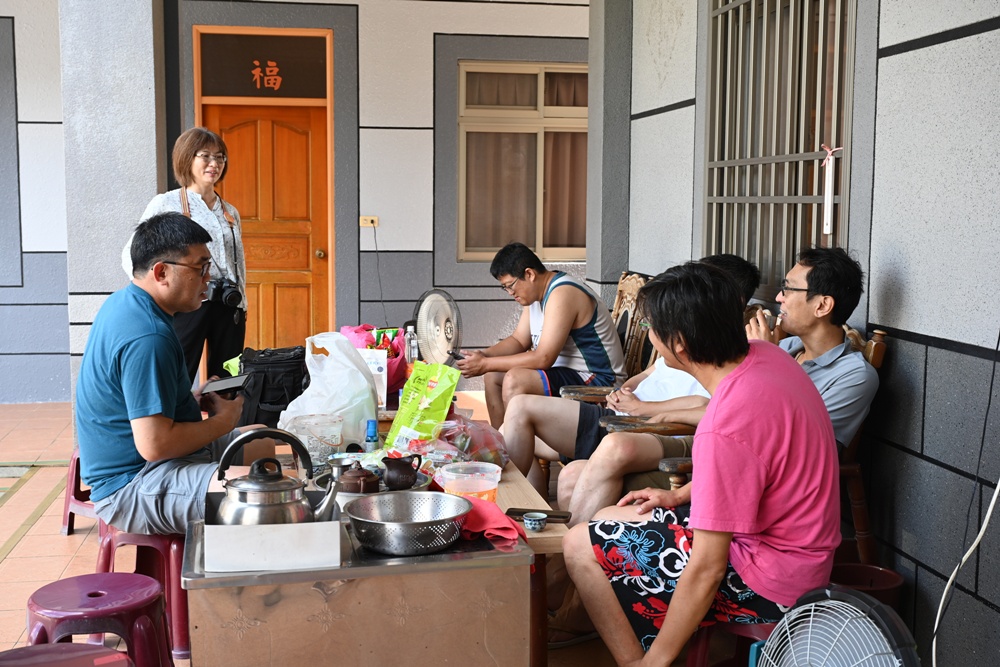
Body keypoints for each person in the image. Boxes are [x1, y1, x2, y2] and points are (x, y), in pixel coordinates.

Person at [563, 262, 840, 665]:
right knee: (606, 516)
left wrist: (659, 660)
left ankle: (640, 662)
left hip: (769, 582)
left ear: (678, 345)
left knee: (578, 545)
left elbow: (708, 568)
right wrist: (679, 496)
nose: (650, 335)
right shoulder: (768, 356)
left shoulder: (724, 425)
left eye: (651, 327)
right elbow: (757, 468)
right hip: (804, 558)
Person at [558, 246, 879, 529]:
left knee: (598, 495)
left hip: (750, 483)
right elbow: (719, 405)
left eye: (788, 288)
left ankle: (578, 560)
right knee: (573, 475)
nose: (778, 297)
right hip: (712, 450)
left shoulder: (853, 375)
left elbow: (802, 451)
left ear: (822, 305)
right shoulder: (784, 348)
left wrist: (764, 367)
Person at [502, 254, 760, 497]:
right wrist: (623, 391)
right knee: (510, 428)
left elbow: (708, 407)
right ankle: (527, 502)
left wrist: (643, 408)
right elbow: (649, 372)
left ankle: (510, 500)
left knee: (521, 412)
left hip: (637, 429)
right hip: (621, 415)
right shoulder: (687, 338)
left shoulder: (724, 357)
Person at [80, 213, 267, 535]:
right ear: (161, 272)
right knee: (266, 495)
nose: (209, 278)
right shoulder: (148, 337)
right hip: (133, 484)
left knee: (262, 438)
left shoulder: (126, 302)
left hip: (156, 461)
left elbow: (138, 398)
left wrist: (188, 399)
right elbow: (154, 445)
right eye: (200, 268)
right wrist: (223, 421)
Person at [121, 127, 247, 383]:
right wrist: (154, 296)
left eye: (220, 157)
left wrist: (242, 301)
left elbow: (238, 262)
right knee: (178, 374)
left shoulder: (230, 211)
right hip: (187, 302)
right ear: (187, 158)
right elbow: (132, 253)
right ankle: (178, 411)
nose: (214, 163)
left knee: (228, 378)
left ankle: (221, 411)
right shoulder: (166, 203)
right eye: (205, 156)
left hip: (228, 304)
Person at [455, 242, 625, 429]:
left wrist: (485, 363)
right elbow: (518, 340)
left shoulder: (563, 293)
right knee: (492, 375)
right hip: (567, 374)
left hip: (598, 381)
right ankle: (501, 442)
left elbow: (543, 358)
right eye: (505, 288)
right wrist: (482, 356)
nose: (510, 293)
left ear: (529, 274)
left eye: (510, 285)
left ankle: (514, 445)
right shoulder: (535, 296)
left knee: (515, 379)